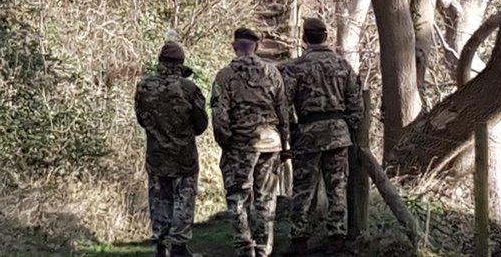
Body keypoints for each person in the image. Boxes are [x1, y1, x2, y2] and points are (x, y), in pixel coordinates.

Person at [280, 18, 363, 255]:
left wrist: (292, 132)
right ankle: (336, 236)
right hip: (338, 133)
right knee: (337, 186)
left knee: (303, 188)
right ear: (326, 36)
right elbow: (356, 103)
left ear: (304, 37)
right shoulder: (342, 65)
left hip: (307, 133)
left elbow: (284, 104)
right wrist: (348, 125)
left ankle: (299, 239)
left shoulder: (295, 67)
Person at [211, 28, 291, 257]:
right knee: (266, 198)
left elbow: (219, 115)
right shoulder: (272, 73)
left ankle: (244, 246)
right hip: (270, 143)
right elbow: (283, 111)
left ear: (234, 46)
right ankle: (264, 248)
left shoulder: (225, 76)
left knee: (238, 196)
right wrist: (285, 145)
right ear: (256, 46)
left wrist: (226, 142)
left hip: (240, 144)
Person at [135, 39, 209, 257]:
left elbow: (141, 119)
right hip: (183, 156)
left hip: (156, 154)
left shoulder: (144, 86)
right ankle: (179, 246)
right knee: (183, 200)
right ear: (180, 62)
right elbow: (201, 124)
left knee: (159, 199)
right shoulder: (189, 88)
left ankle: (160, 243)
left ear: (160, 61)